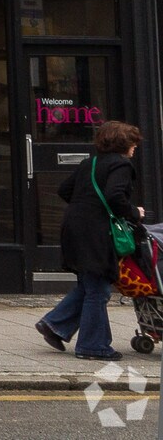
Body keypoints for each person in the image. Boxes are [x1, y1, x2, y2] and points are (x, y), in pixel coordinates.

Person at [37, 119, 146, 361]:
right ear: (123, 143)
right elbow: (115, 196)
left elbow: (64, 190)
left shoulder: (90, 163)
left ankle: (54, 325)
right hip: (96, 232)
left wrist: (86, 206)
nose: (135, 147)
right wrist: (134, 212)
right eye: (133, 142)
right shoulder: (121, 165)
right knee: (98, 289)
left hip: (73, 227)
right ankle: (92, 346)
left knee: (89, 284)